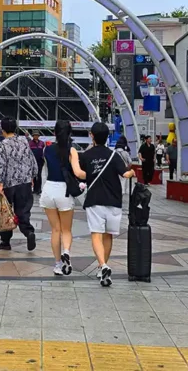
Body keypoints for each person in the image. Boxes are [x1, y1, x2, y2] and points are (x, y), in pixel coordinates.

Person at [70, 122, 135, 287]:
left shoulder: (86, 155)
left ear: (92, 135)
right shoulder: (114, 156)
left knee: (96, 235)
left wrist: (74, 158)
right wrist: (131, 172)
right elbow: (125, 173)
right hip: (114, 201)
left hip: (95, 200)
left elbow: (80, 174)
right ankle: (102, 268)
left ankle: (103, 265)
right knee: (108, 235)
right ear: (107, 137)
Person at [40, 121, 85, 275]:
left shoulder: (47, 149)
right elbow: (78, 173)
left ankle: (58, 264)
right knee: (66, 230)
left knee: (55, 230)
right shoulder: (72, 150)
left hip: (48, 190)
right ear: (70, 133)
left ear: (55, 133)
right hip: (64, 191)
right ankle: (66, 251)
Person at [0, 118, 38, 251]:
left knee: (5, 210)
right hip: (24, 182)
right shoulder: (24, 141)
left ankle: (5, 241)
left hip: (9, 183)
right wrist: (32, 175)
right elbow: (31, 159)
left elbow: (2, 165)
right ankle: (28, 232)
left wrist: (0, 183)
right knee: (23, 210)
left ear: (3, 129)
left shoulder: (3, 144)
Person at [29, 131, 46, 195]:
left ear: (38, 136)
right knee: (33, 175)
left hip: (40, 161)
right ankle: (34, 189)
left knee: (39, 175)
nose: (36, 136)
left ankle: (39, 189)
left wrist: (43, 158)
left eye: (37, 135)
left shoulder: (42, 143)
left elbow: (44, 151)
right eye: (34, 135)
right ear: (33, 136)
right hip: (33, 162)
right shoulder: (30, 143)